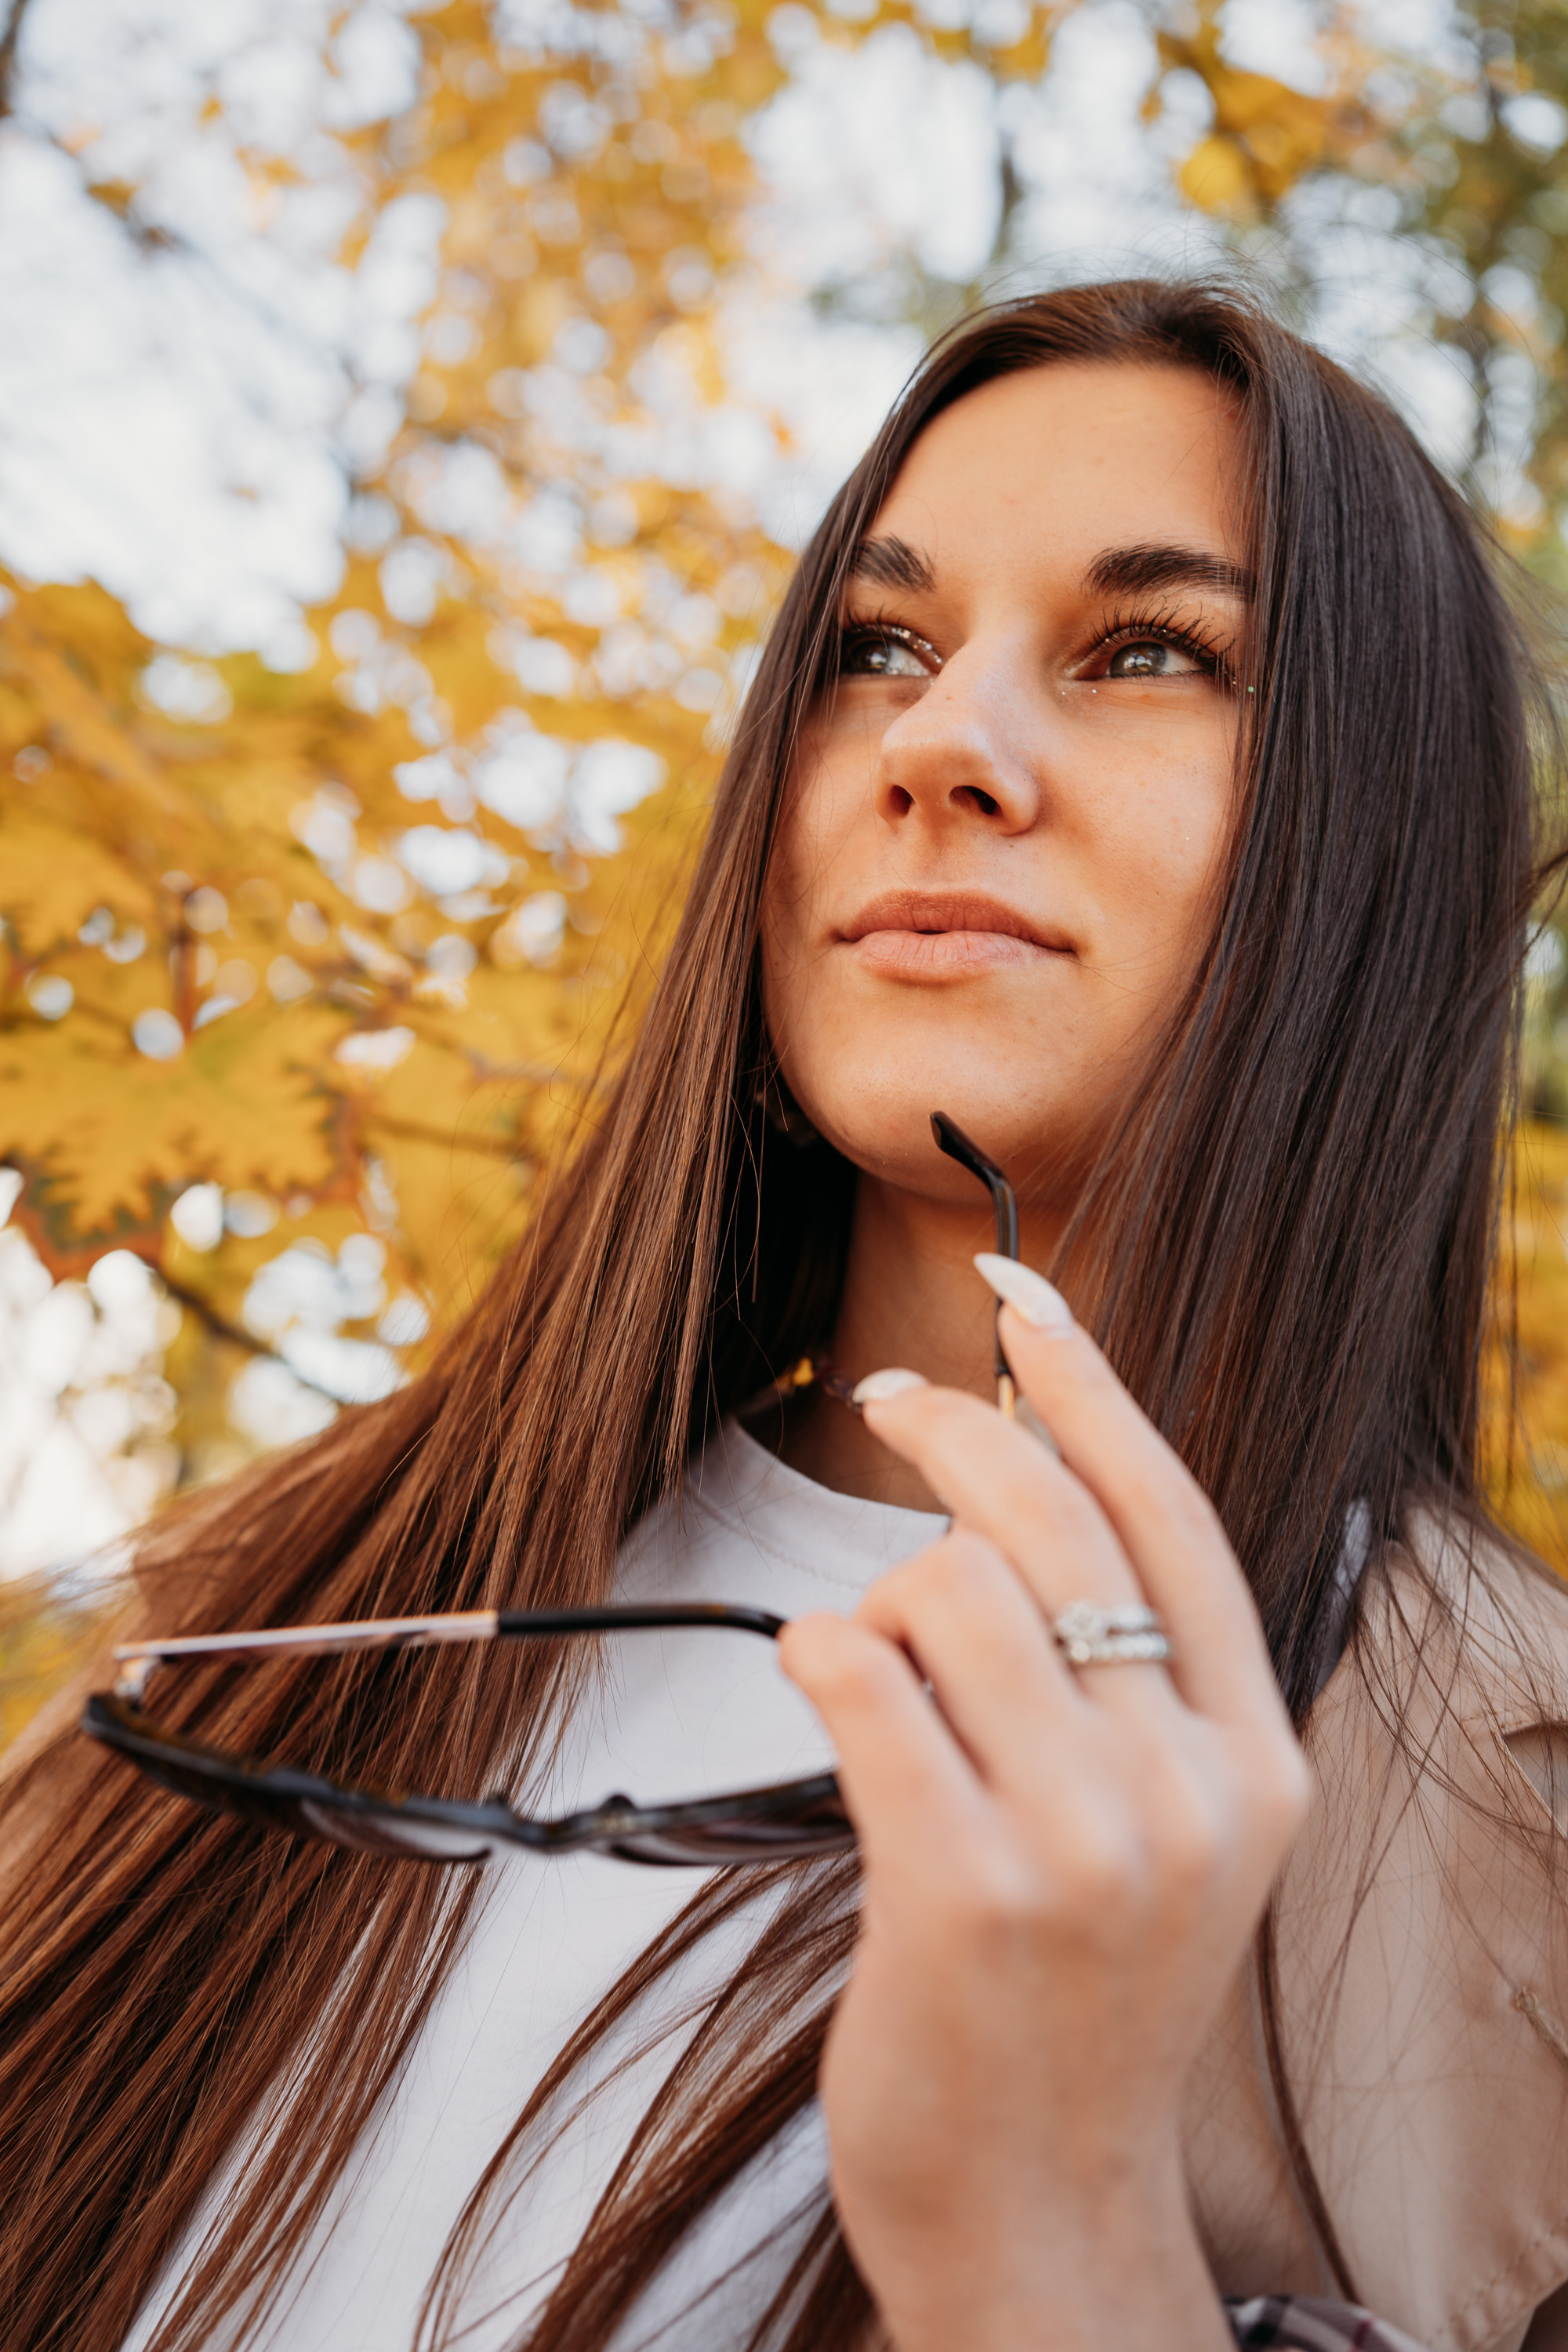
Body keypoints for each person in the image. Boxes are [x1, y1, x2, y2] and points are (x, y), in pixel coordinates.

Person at [2, 277, 1566, 2352]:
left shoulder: (1520, 1829)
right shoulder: (269, 1614)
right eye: (875, 649)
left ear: (1384, 844)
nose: (940, 744)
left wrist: (1054, 2236)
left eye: (1152, 651)